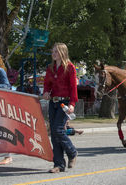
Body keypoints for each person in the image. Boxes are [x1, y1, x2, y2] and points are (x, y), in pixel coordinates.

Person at [43, 43, 79, 173]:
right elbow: (47, 84)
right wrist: (46, 92)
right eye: (52, 52)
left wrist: (72, 104)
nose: (53, 54)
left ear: (62, 53)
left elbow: (73, 88)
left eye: (56, 52)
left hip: (65, 103)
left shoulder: (70, 68)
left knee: (58, 129)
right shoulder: (50, 68)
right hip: (53, 102)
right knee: (53, 133)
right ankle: (58, 164)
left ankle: (72, 152)